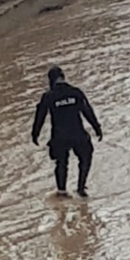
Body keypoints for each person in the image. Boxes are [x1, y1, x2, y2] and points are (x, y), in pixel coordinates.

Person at [32, 66, 102, 197]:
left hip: (60, 137)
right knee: (86, 157)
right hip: (78, 134)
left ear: (50, 80)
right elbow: (87, 111)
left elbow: (40, 116)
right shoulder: (76, 92)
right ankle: (81, 188)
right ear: (63, 77)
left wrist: (35, 134)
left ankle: (62, 191)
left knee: (61, 163)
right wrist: (97, 128)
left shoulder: (49, 96)